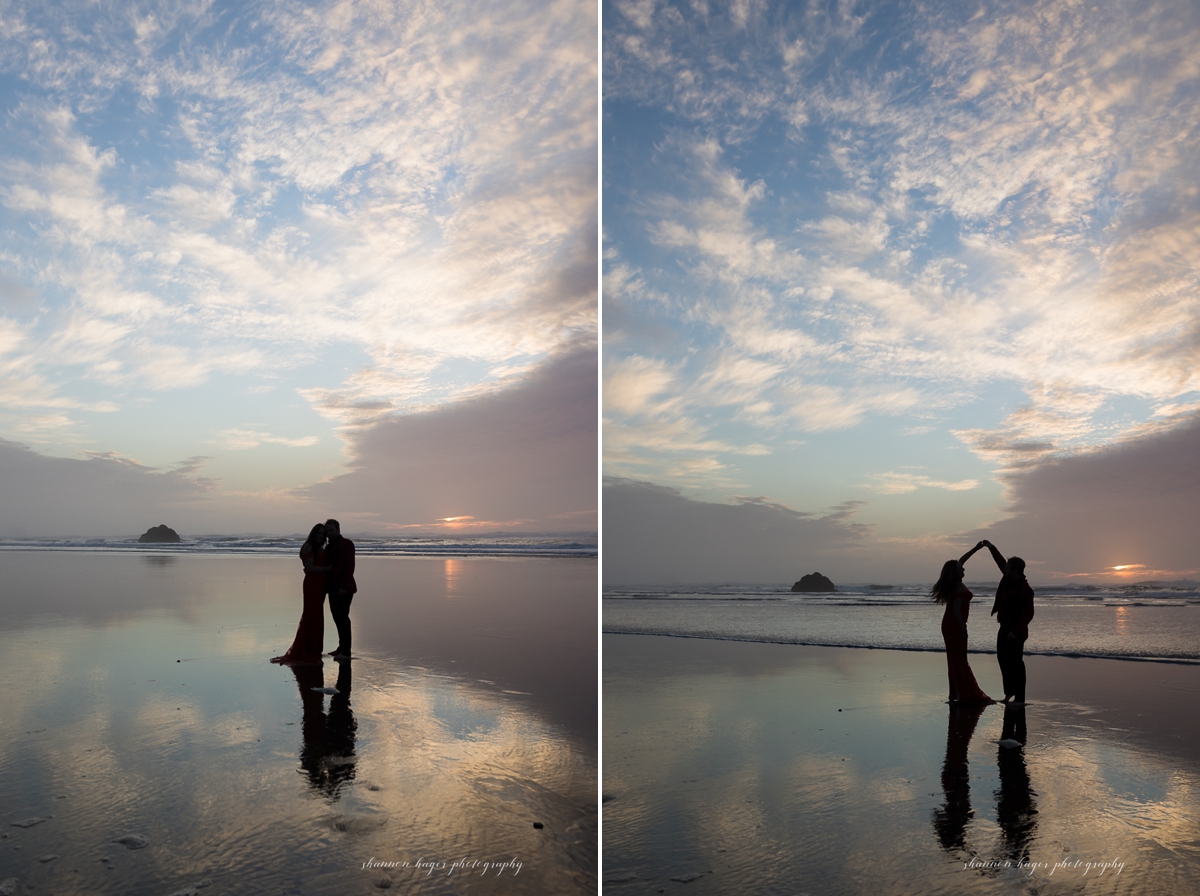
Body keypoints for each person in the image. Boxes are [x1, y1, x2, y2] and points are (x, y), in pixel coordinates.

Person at [931, 542, 993, 704]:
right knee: (959, 660)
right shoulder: (957, 586)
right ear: (955, 573)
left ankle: (955, 694)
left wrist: (977, 548)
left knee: (954, 659)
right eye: (961, 569)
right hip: (954, 625)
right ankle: (966, 694)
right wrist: (963, 629)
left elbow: (962, 561)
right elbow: (957, 611)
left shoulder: (954, 582)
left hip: (948, 625)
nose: (964, 569)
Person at [982, 540, 1035, 704]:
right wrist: (991, 547)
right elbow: (1000, 562)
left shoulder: (1025, 589)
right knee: (1003, 661)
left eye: (1007, 568)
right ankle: (1009, 694)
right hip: (1004, 627)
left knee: (1016, 664)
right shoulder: (1007, 579)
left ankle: (1020, 698)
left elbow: (1028, 614)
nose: (1004, 569)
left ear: (1015, 571)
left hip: (1016, 631)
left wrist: (1015, 631)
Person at [271, 523, 331, 664]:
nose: (321, 536)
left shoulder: (318, 548)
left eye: (323, 534)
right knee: (311, 614)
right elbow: (309, 567)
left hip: (319, 585)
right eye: (318, 533)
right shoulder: (308, 547)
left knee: (317, 615)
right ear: (313, 533)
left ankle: (314, 648)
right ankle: (307, 648)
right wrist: (327, 568)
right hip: (312, 584)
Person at [324, 519, 357, 660]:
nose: (329, 533)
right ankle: (341, 647)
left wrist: (343, 587)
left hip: (344, 588)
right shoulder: (330, 546)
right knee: (337, 618)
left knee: (343, 619)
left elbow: (349, 567)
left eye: (332, 530)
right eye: (327, 531)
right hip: (333, 588)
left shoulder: (347, 544)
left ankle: (346, 651)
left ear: (338, 529)